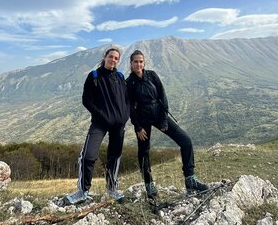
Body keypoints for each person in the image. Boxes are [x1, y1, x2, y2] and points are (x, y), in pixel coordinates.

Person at [126, 49, 208, 200]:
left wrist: (164, 119)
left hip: (159, 114)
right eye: (135, 62)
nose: (138, 64)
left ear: (144, 63)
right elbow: (130, 107)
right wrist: (137, 127)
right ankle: (149, 185)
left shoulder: (152, 75)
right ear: (131, 63)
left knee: (186, 141)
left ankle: (190, 179)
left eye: (141, 61)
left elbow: (162, 95)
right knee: (144, 151)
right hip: (143, 119)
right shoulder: (129, 82)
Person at [65, 47, 131, 205]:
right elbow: (86, 100)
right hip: (99, 123)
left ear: (118, 60)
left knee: (114, 157)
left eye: (116, 58)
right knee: (88, 156)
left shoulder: (120, 77)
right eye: (111, 57)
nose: (113, 60)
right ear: (105, 57)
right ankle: (83, 191)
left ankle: (112, 189)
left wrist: (125, 115)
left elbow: (126, 98)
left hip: (118, 125)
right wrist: (102, 115)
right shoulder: (94, 76)